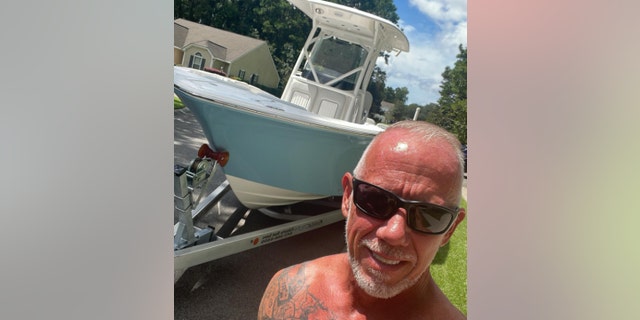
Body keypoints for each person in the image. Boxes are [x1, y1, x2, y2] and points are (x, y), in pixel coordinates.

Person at [258, 120, 467, 319]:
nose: (393, 233)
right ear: (348, 197)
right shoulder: (288, 290)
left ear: (449, 230)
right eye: (376, 200)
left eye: (428, 215)